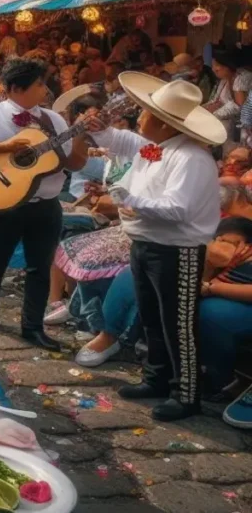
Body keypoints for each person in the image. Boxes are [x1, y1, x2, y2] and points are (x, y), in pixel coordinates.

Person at [87, 75, 226, 421]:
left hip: (177, 250)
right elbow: (122, 143)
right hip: (147, 244)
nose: (139, 118)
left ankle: (186, 393)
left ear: (163, 122)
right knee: (152, 318)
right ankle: (157, 378)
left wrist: (128, 199)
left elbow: (179, 209)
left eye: (145, 114)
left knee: (177, 323)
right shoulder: (158, 149)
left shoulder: (191, 158)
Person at [0, 58, 90, 351]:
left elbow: (73, 164)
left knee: (39, 266)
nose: (45, 89)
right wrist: (5, 148)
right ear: (15, 88)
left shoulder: (55, 120)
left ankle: (33, 326)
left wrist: (82, 137)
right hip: (4, 202)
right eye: (39, 84)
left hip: (47, 205)